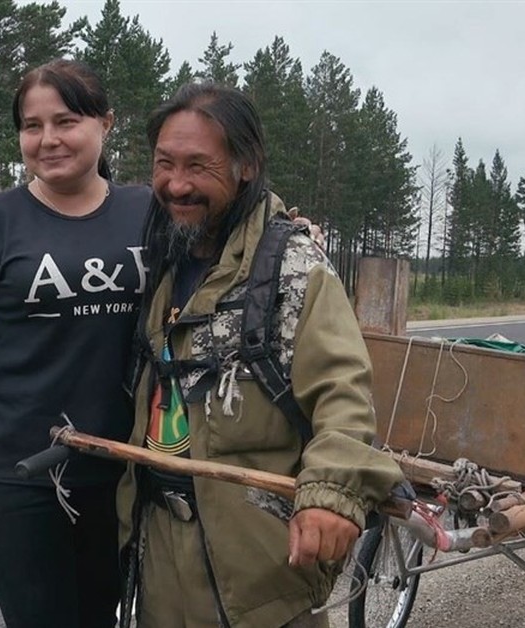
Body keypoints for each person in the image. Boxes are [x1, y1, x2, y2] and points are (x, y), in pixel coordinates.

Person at [116, 82, 406, 628]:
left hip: (258, 579)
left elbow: (343, 394)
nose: (176, 184)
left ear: (246, 165)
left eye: (199, 166)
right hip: (159, 567)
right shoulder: (162, 258)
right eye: (164, 164)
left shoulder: (295, 270)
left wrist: (331, 495)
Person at [0, 59, 152, 628]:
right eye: (32, 126)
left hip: (127, 469)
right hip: (18, 476)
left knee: (103, 617)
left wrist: (292, 230)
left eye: (66, 120)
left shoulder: (149, 212)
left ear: (105, 123)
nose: (48, 139)